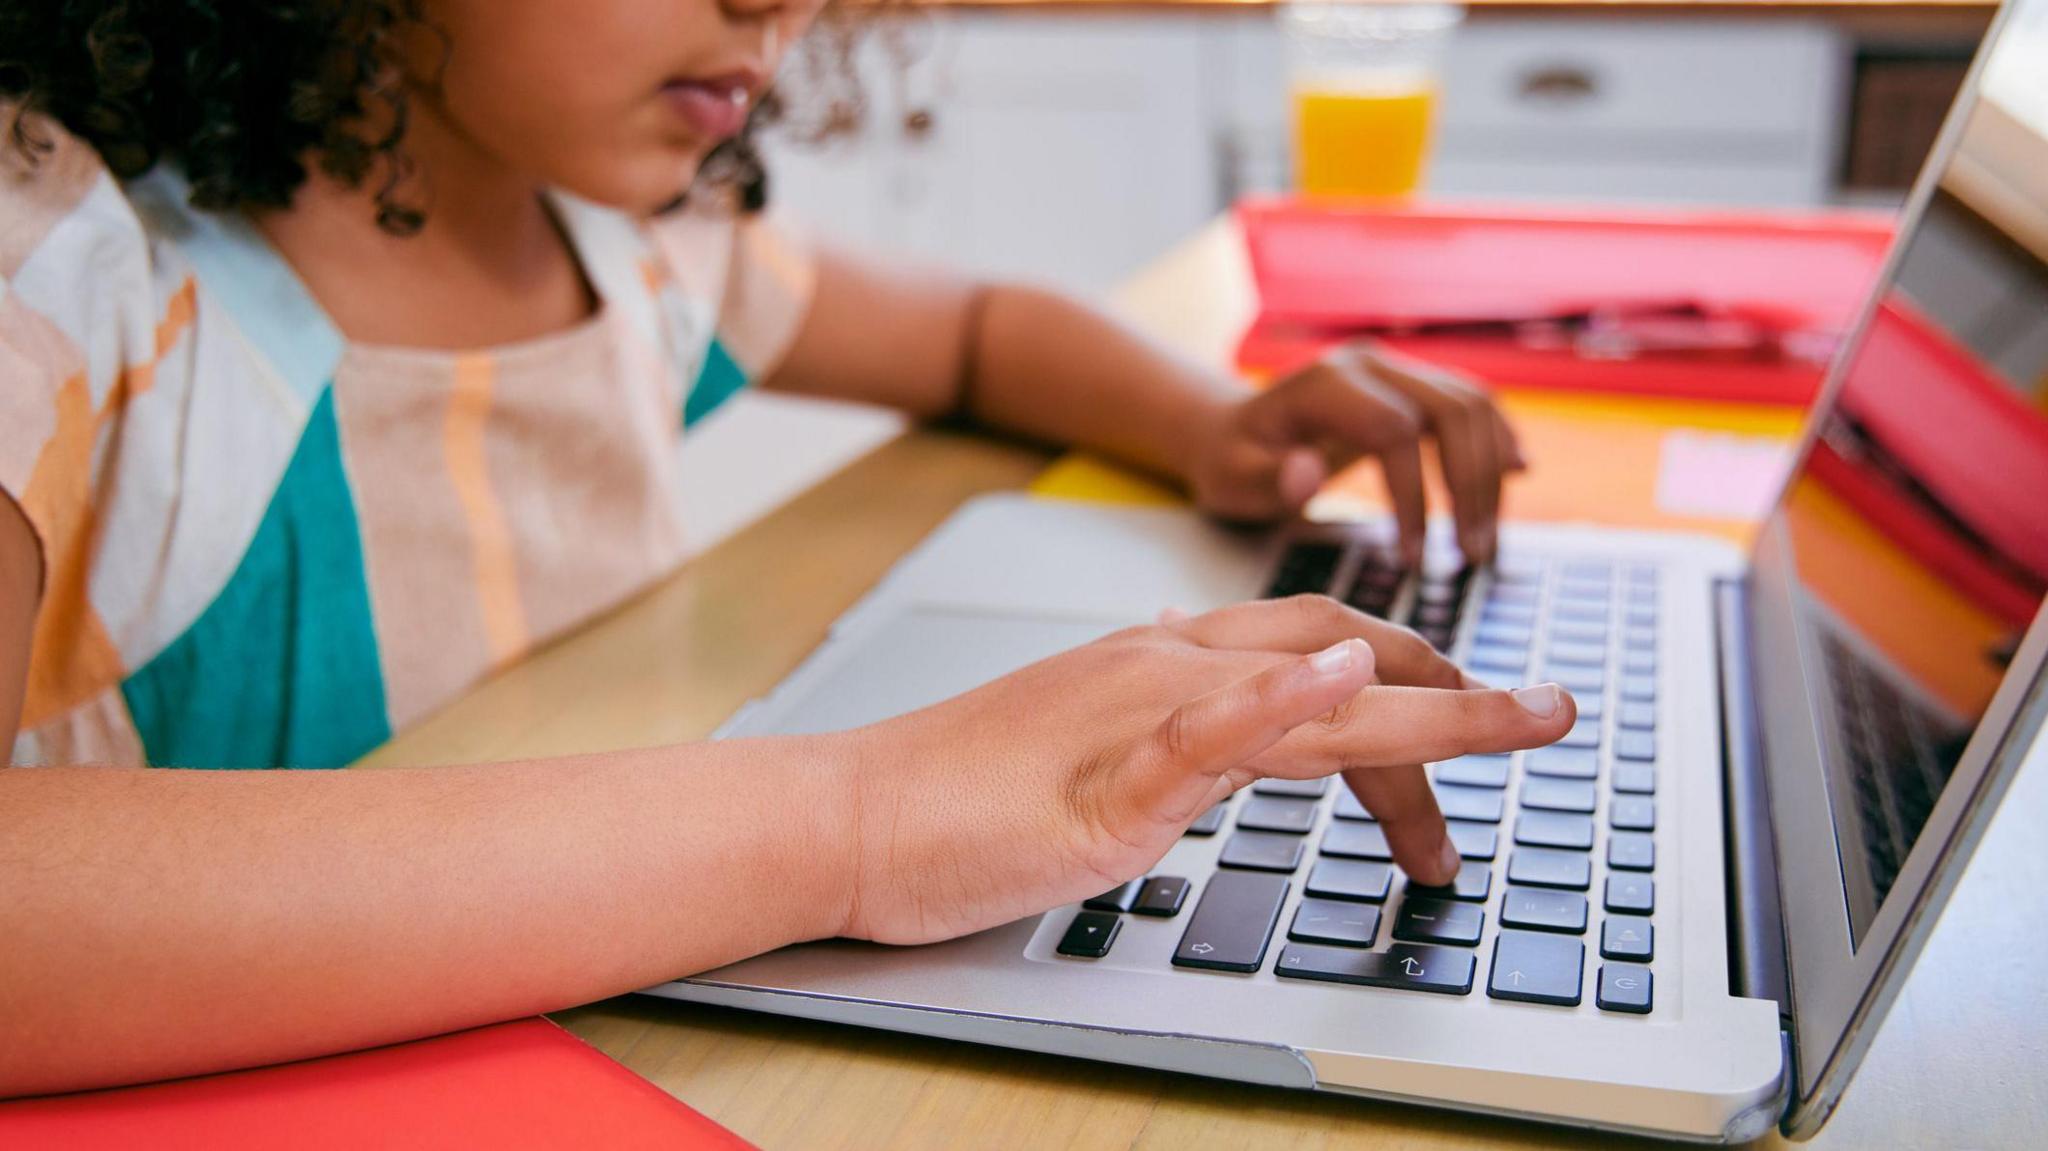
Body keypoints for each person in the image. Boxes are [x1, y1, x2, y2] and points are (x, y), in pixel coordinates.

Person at [0, 0, 1573, 1098]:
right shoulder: (60, 264)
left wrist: (1209, 427)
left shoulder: (635, 251)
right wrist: (857, 813)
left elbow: (971, 333)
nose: (777, 6)